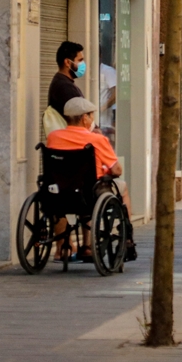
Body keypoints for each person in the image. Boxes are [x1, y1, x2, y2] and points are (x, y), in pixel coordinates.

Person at [46, 97, 136, 261]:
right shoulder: (96, 139)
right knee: (122, 187)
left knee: (75, 189)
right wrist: (106, 169)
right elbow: (117, 170)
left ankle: (64, 247)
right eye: (91, 115)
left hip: (59, 193)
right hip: (88, 192)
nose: (92, 119)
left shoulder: (53, 137)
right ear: (84, 118)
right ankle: (126, 238)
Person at [48, 41, 86, 126]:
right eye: (80, 60)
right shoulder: (64, 87)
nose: (83, 64)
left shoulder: (63, 82)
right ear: (67, 62)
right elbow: (82, 119)